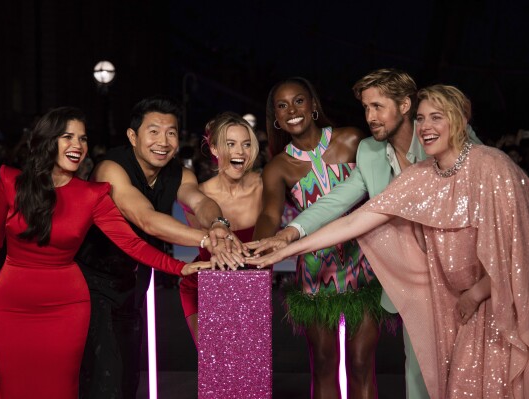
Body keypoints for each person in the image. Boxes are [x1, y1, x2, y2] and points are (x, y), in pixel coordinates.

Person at [248, 84, 529, 398]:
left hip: (471, 291)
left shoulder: (493, 167)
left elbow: (515, 250)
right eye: (421, 119)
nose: (424, 127)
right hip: (422, 291)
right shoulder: (420, 175)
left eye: (435, 117)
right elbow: (350, 215)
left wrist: (477, 292)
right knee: (451, 381)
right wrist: (284, 244)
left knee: (495, 380)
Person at [0, 106, 208, 399]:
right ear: (48, 141)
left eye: (83, 139)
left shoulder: (92, 195)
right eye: (68, 137)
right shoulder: (11, 182)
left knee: (61, 389)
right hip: (12, 303)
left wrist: (178, 267)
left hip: (67, 305)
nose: (78, 146)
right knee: (14, 389)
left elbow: (131, 243)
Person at [75, 96, 248, 399]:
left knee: (127, 379)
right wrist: (207, 240)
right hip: (91, 287)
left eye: (170, 133)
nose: (163, 141)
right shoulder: (111, 169)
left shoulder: (179, 173)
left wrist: (218, 223)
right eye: (153, 131)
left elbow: (200, 201)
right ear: (133, 136)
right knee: (103, 378)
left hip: (133, 287)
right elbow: (146, 219)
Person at [253, 77, 382, 398]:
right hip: (314, 272)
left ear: (313, 107)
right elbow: (270, 215)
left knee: (361, 362)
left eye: (298, 101)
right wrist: (256, 249)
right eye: (281, 106)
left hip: (363, 264)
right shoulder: (277, 167)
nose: (291, 110)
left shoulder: (352, 140)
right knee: (324, 363)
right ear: (276, 119)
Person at [179, 111, 262, 345]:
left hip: (253, 292)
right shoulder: (199, 194)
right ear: (214, 149)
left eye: (246, 144)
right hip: (205, 289)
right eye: (231, 144)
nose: (240, 152)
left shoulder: (266, 188)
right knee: (217, 371)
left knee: (250, 375)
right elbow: (206, 247)